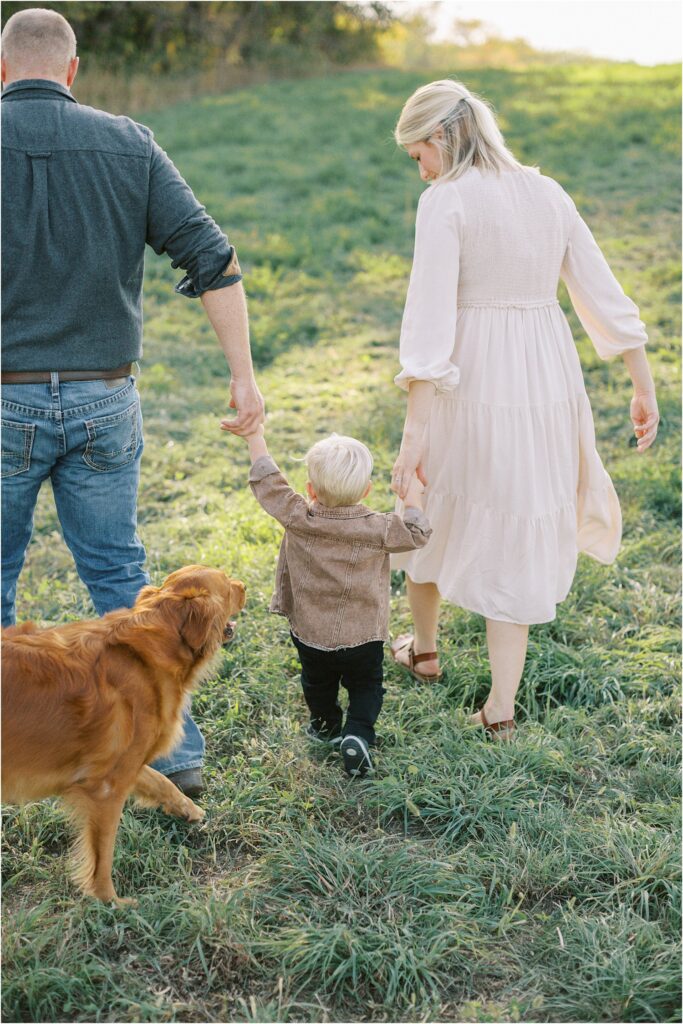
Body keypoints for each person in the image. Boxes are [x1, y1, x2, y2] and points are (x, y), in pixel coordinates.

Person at [1, 8, 265, 797]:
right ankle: (175, 754)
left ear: (4, 69)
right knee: (119, 572)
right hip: (105, 401)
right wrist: (244, 378)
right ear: (73, 71)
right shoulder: (129, 143)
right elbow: (212, 259)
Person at [388, 79, 659, 739]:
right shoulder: (547, 191)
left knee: (426, 496)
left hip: (471, 373)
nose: (417, 167)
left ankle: (426, 652)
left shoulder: (444, 201)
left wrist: (412, 434)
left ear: (444, 138)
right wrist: (640, 381)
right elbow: (601, 289)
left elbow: (427, 326)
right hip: (544, 372)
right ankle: (497, 705)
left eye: (417, 151)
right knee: (515, 509)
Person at [240, 425, 432, 776]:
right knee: (367, 685)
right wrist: (413, 496)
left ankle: (326, 726)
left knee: (317, 683)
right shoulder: (380, 527)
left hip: (311, 633)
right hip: (364, 636)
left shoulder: (298, 515)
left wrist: (256, 437)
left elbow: (269, 484)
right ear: (367, 490)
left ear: (310, 490)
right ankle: (358, 732)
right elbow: (418, 533)